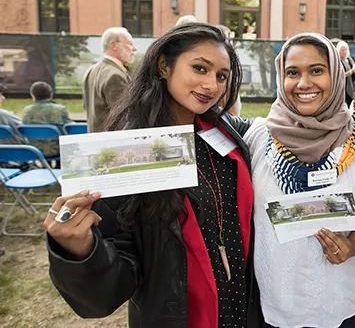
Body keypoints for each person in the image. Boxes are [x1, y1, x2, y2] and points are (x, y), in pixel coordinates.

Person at [44, 23, 261, 327]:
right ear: (164, 66)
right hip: (181, 313)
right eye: (200, 68)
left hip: (242, 301)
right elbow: (116, 272)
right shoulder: (126, 152)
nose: (211, 85)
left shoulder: (222, 132)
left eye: (221, 76)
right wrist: (80, 250)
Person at [243, 33, 355, 328]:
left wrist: (352, 245)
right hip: (272, 304)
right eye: (292, 73)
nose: (304, 83)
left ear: (335, 75)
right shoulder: (258, 139)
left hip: (339, 303)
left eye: (317, 70)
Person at [83, 27, 137, 132]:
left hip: (96, 139)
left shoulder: (90, 71)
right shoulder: (115, 75)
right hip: (112, 142)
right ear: (114, 45)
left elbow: (86, 106)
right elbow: (125, 116)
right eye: (130, 44)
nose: (134, 49)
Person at [22, 81, 73, 158]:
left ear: (33, 96)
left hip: (35, 150)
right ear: (51, 95)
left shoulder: (27, 111)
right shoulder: (60, 109)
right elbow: (70, 129)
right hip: (57, 150)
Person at [336, 41, 355, 107]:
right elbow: (339, 75)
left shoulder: (351, 59)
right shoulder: (337, 61)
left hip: (352, 87)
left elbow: (354, 77)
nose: (344, 52)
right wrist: (351, 71)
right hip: (342, 88)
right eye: (342, 50)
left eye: (345, 49)